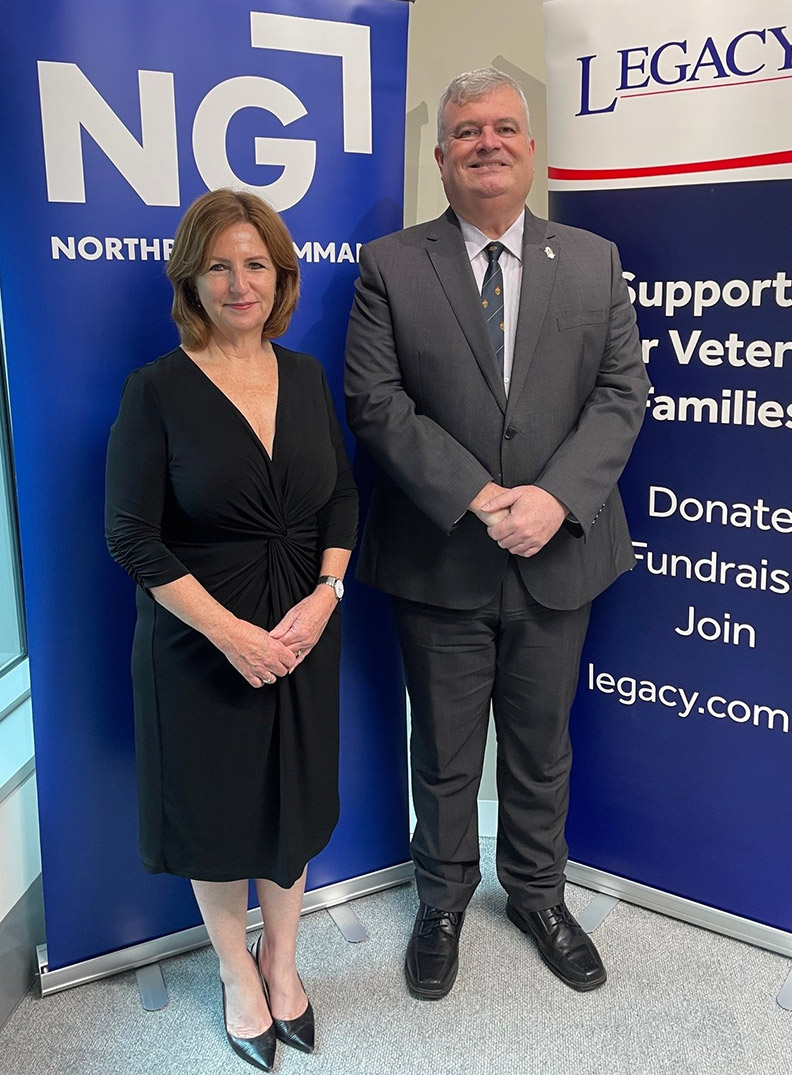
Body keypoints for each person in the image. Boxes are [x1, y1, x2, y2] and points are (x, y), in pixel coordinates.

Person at [344, 68, 649, 999]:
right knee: (440, 749)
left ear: (530, 148)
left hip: (560, 553)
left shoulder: (593, 260)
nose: (487, 142)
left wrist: (553, 500)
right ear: (440, 156)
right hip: (441, 556)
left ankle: (537, 893)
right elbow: (375, 399)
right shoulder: (391, 264)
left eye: (504, 127)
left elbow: (620, 392)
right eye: (466, 131)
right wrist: (482, 495)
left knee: (541, 741)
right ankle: (440, 900)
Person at [105, 189, 357, 1070]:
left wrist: (326, 595)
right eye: (220, 264)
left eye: (256, 263)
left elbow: (341, 496)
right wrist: (233, 635)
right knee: (217, 817)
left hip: (302, 630)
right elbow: (130, 533)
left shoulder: (308, 376)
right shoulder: (157, 390)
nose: (239, 280)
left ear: (281, 277)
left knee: (289, 803)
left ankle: (283, 963)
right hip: (199, 644)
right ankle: (234, 973)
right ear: (192, 277)